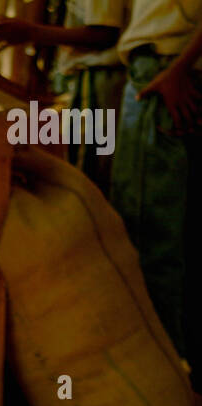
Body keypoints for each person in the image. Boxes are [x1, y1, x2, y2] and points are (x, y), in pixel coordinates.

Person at [110, 2, 202, 379]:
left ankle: (158, 371)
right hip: (164, 69)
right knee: (172, 234)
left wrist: (178, 69)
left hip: (168, 70)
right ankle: (176, 367)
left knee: (151, 236)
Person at [0, 0, 129, 195]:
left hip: (98, 76)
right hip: (88, 76)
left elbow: (104, 34)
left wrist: (30, 32)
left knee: (86, 178)